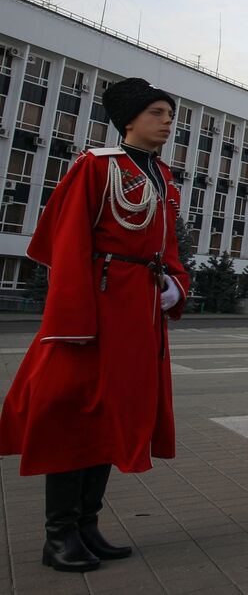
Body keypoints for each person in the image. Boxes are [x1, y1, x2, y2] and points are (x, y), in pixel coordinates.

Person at [0, 78, 189, 573]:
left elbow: (169, 250)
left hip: (140, 314)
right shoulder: (96, 167)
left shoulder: (164, 179)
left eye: (169, 112)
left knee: (110, 417)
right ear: (129, 121)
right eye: (157, 111)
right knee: (73, 415)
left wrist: (174, 284)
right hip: (97, 311)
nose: (168, 121)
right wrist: (70, 320)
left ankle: (87, 524)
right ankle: (58, 534)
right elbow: (65, 243)